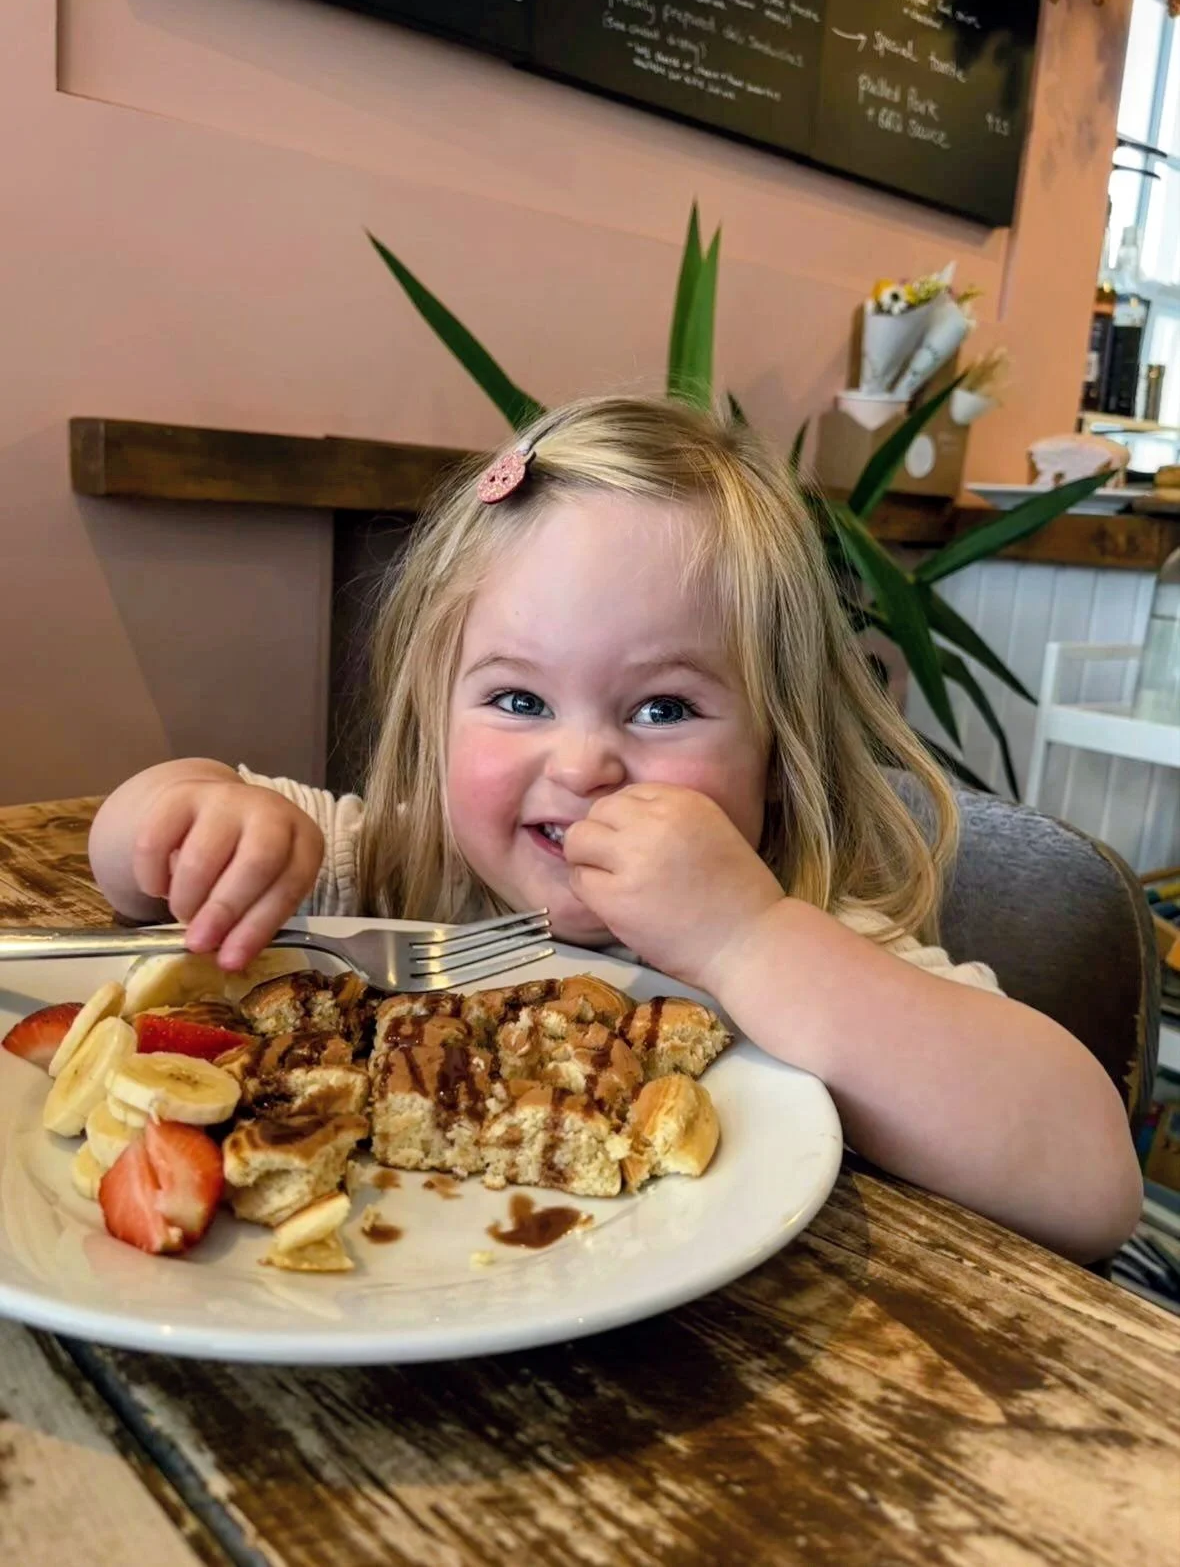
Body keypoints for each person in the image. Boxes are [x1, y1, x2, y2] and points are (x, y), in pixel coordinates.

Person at [89, 396, 1142, 1263]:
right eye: (517, 700)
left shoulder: (809, 944)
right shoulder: (384, 869)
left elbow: (1090, 1188)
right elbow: (130, 875)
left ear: (778, 755)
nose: (584, 764)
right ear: (431, 705)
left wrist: (746, 941)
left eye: (662, 709)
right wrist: (189, 811)